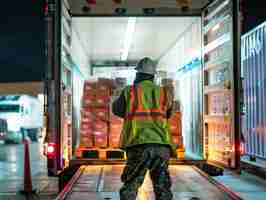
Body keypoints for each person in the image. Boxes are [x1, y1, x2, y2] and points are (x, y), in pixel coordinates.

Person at [112, 57, 176, 200]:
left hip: (138, 144)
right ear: (153, 76)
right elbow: (168, 113)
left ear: (138, 74)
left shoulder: (130, 92)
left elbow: (116, 110)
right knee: (163, 188)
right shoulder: (164, 92)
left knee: (131, 186)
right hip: (161, 145)